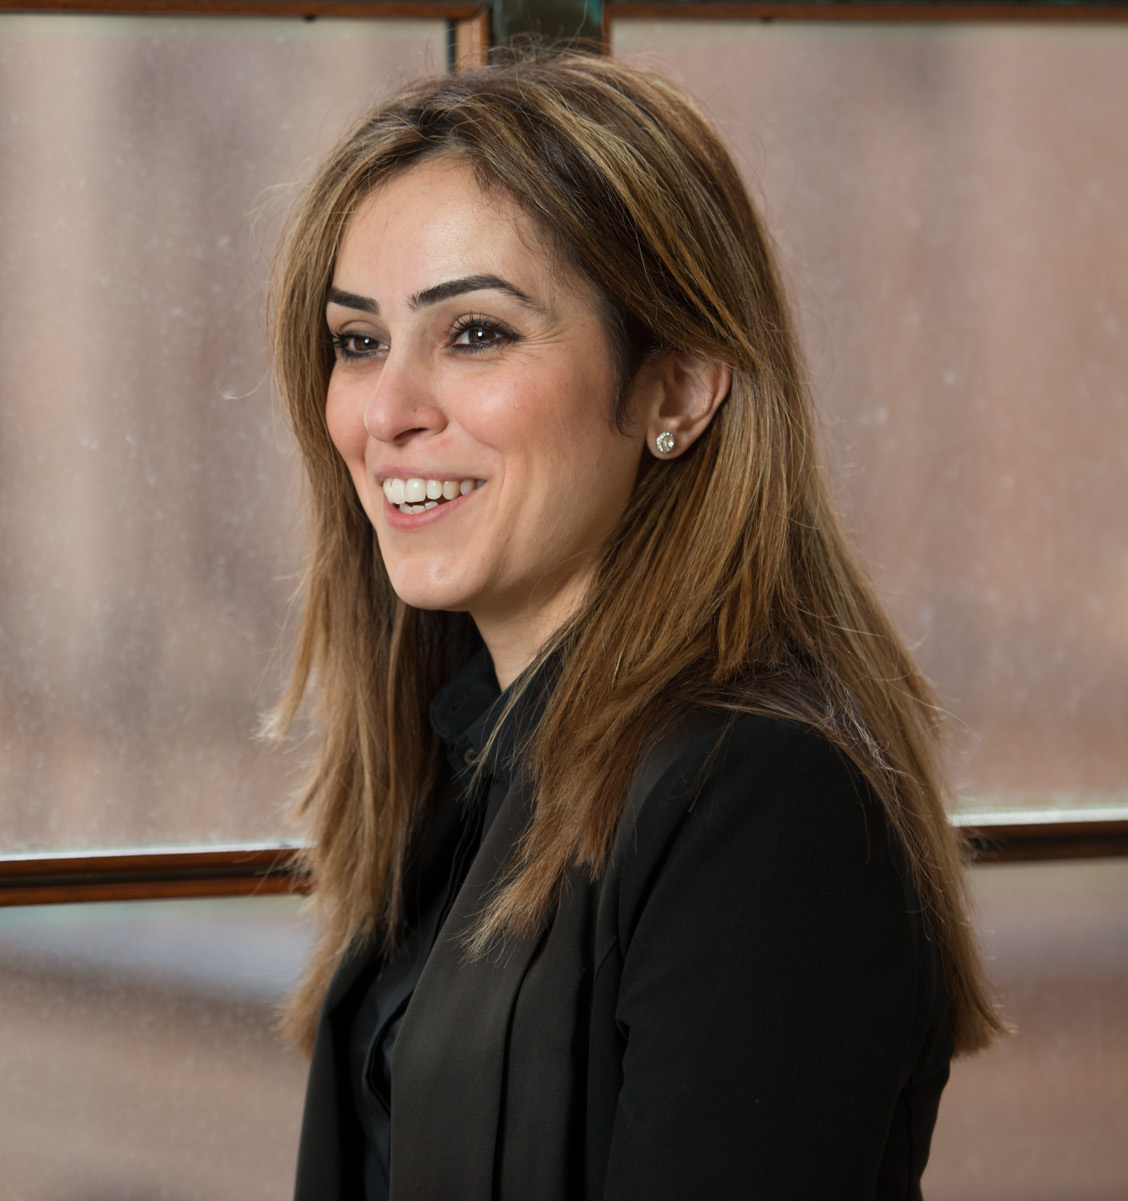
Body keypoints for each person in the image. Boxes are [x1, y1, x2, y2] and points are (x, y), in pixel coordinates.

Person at [265, 46, 1004, 1201]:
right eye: (359, 342)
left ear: (677, 387)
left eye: (475, 333)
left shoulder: (762, 800)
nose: (386, 412)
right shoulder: (460, 763)